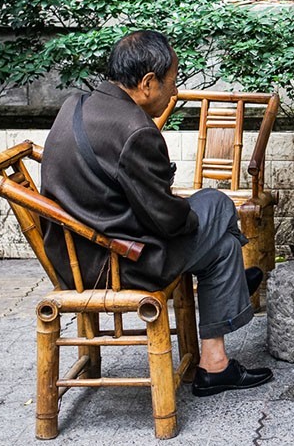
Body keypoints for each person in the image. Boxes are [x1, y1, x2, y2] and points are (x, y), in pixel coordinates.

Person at [40, 30, 272, 398]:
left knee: (224, 247)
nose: (175, 91)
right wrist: (191, 213)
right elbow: (166, 220)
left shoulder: (76, 103)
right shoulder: (135, 131)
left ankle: (216, 365)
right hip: (116, 262)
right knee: (217, 205)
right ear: (148, 83)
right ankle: (232, 297)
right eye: (173, 81)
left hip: (74, 253)